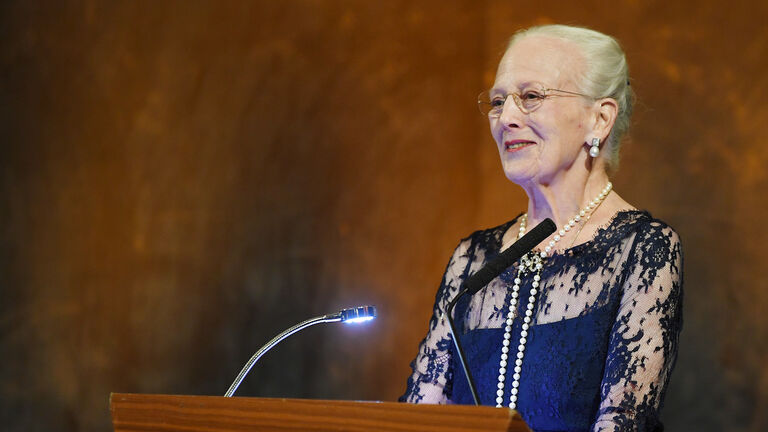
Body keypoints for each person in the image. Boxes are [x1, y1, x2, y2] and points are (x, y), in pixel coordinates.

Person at [398, 24, 683, 432]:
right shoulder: (472, 260)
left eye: (531, 97)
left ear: (600, 119)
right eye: (499, 102)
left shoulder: (643, 250)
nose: (506, 118)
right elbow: (418, 418)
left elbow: (622, 421)